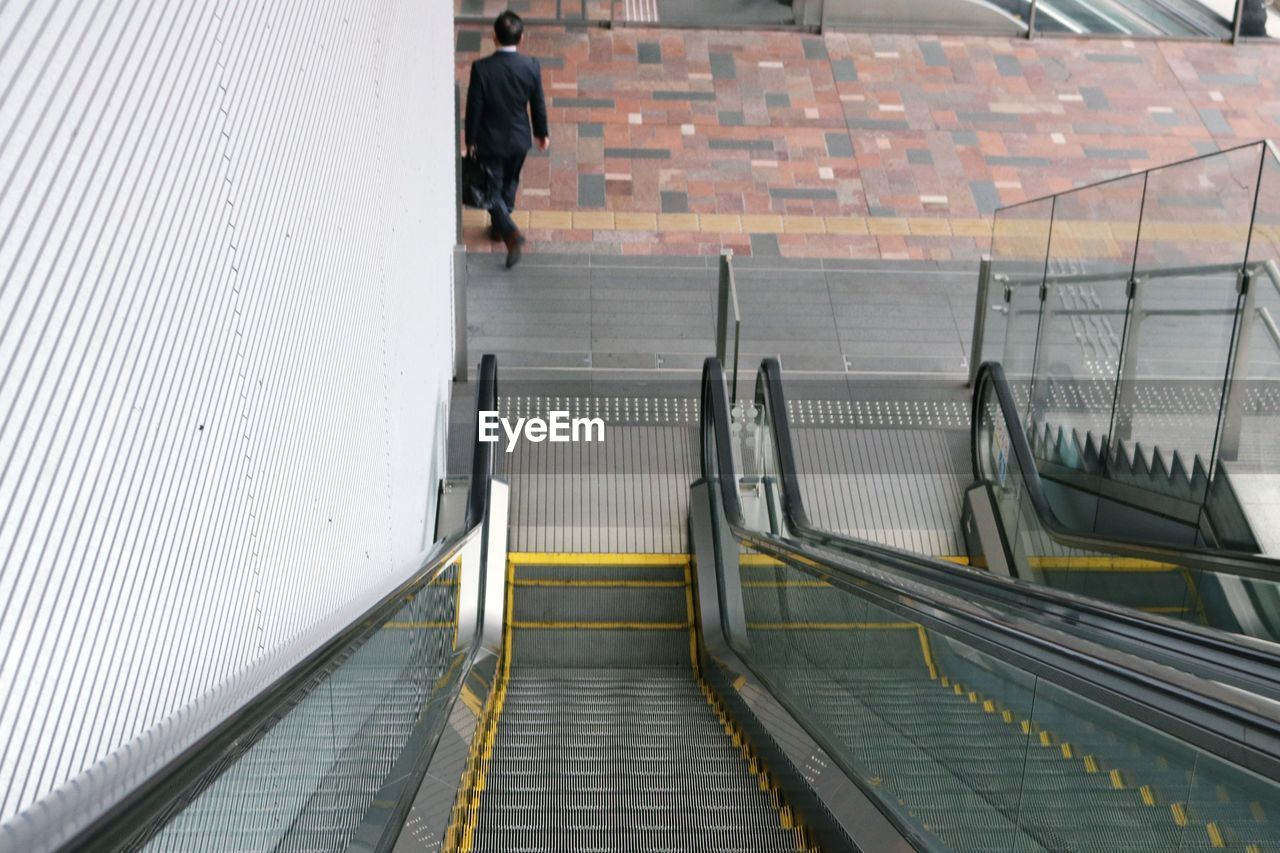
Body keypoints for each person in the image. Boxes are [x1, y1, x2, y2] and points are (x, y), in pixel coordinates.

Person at [464, 11, 549, 269]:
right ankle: (501, 228)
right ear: (521, 37)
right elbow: (538, 104)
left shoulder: (482, 68)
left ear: (494, 36)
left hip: (490, 140)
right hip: (519, 138)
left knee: (491, 190)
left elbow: (474, 108)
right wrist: (541, 133)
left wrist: (470, 140)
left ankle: (509, 232)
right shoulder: (531, 66)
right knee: (510, 180)